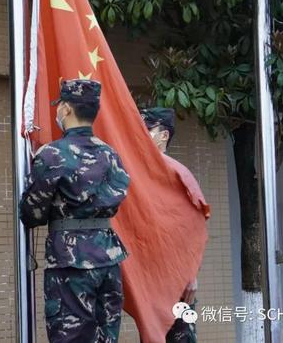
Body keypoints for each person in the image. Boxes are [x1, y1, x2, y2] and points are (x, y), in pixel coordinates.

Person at [20, 79, 130, 343]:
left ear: (66, 109)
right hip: (108, 259)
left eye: (60, 106)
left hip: (71, 262)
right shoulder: (111, 155)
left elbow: (32, 214)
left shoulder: (53, 155)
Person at [141, 107, 200, 343]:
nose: (141, 134)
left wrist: (190, 274)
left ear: (163, 135)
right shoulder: (135, 172)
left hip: (175, 277)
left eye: (147, 129)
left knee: (180, 337)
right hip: (147, 274)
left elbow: (190, 230)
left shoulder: (177, 173)